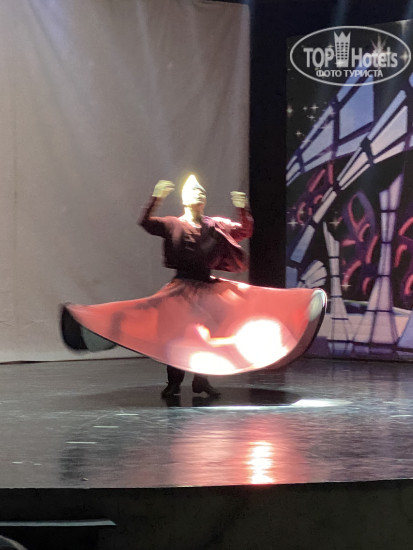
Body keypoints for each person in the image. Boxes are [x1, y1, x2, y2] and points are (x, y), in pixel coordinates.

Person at [139, 175, 253, 398]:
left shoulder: (216, 225)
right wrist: (156, 198)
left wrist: (243, 209)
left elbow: (244, 231)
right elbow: (146, 222)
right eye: (194, 191)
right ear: (184, 199)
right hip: (181, 289)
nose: (199, 193)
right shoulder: (173, 223)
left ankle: (201, 380)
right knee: (177, 336)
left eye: (202, 191)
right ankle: (174, 382)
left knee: (206, 336)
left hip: (205, 287)